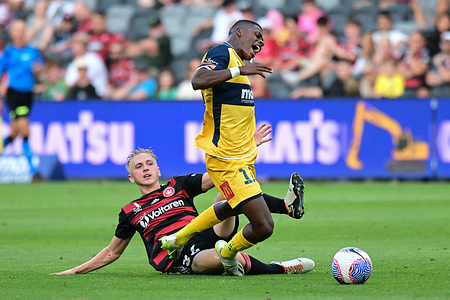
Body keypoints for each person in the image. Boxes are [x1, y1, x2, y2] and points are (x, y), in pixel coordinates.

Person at [160, 20, 305, 277]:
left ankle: (177, 239)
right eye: (256, 35)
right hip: (226, 160)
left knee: (233, 204)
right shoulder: (222, 53)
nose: (260, 41)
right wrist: (239, 70)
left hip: (241, 156)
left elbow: (231, 120)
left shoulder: (239, 69)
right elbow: (198, 79)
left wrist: (252, 143)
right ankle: (228, 253)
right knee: (263, 226)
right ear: (239, 32)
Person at [52, 138, 315, 276]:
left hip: (205, 232)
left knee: (229, 191)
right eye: (138, 167)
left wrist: (248, 148)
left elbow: (218, 172)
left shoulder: (178, 185)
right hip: (177, 252)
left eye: (148, 164)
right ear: (131, 177)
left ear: (158, 168)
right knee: (219, 260)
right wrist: (75, 270)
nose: (145, 169)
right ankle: (280, 268)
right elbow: (112, 252)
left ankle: (286, 206)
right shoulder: (130, 210)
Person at [0, 19, 44, 176]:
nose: (20, 33)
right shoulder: (8, 53)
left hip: (27, 94)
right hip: (14, 94)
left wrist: (39, 72)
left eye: (22, 30)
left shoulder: (33, 52)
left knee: (14, 133)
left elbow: (42, 70)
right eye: (17, 30)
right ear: (12, 33)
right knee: (25, 129)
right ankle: (33, 170)